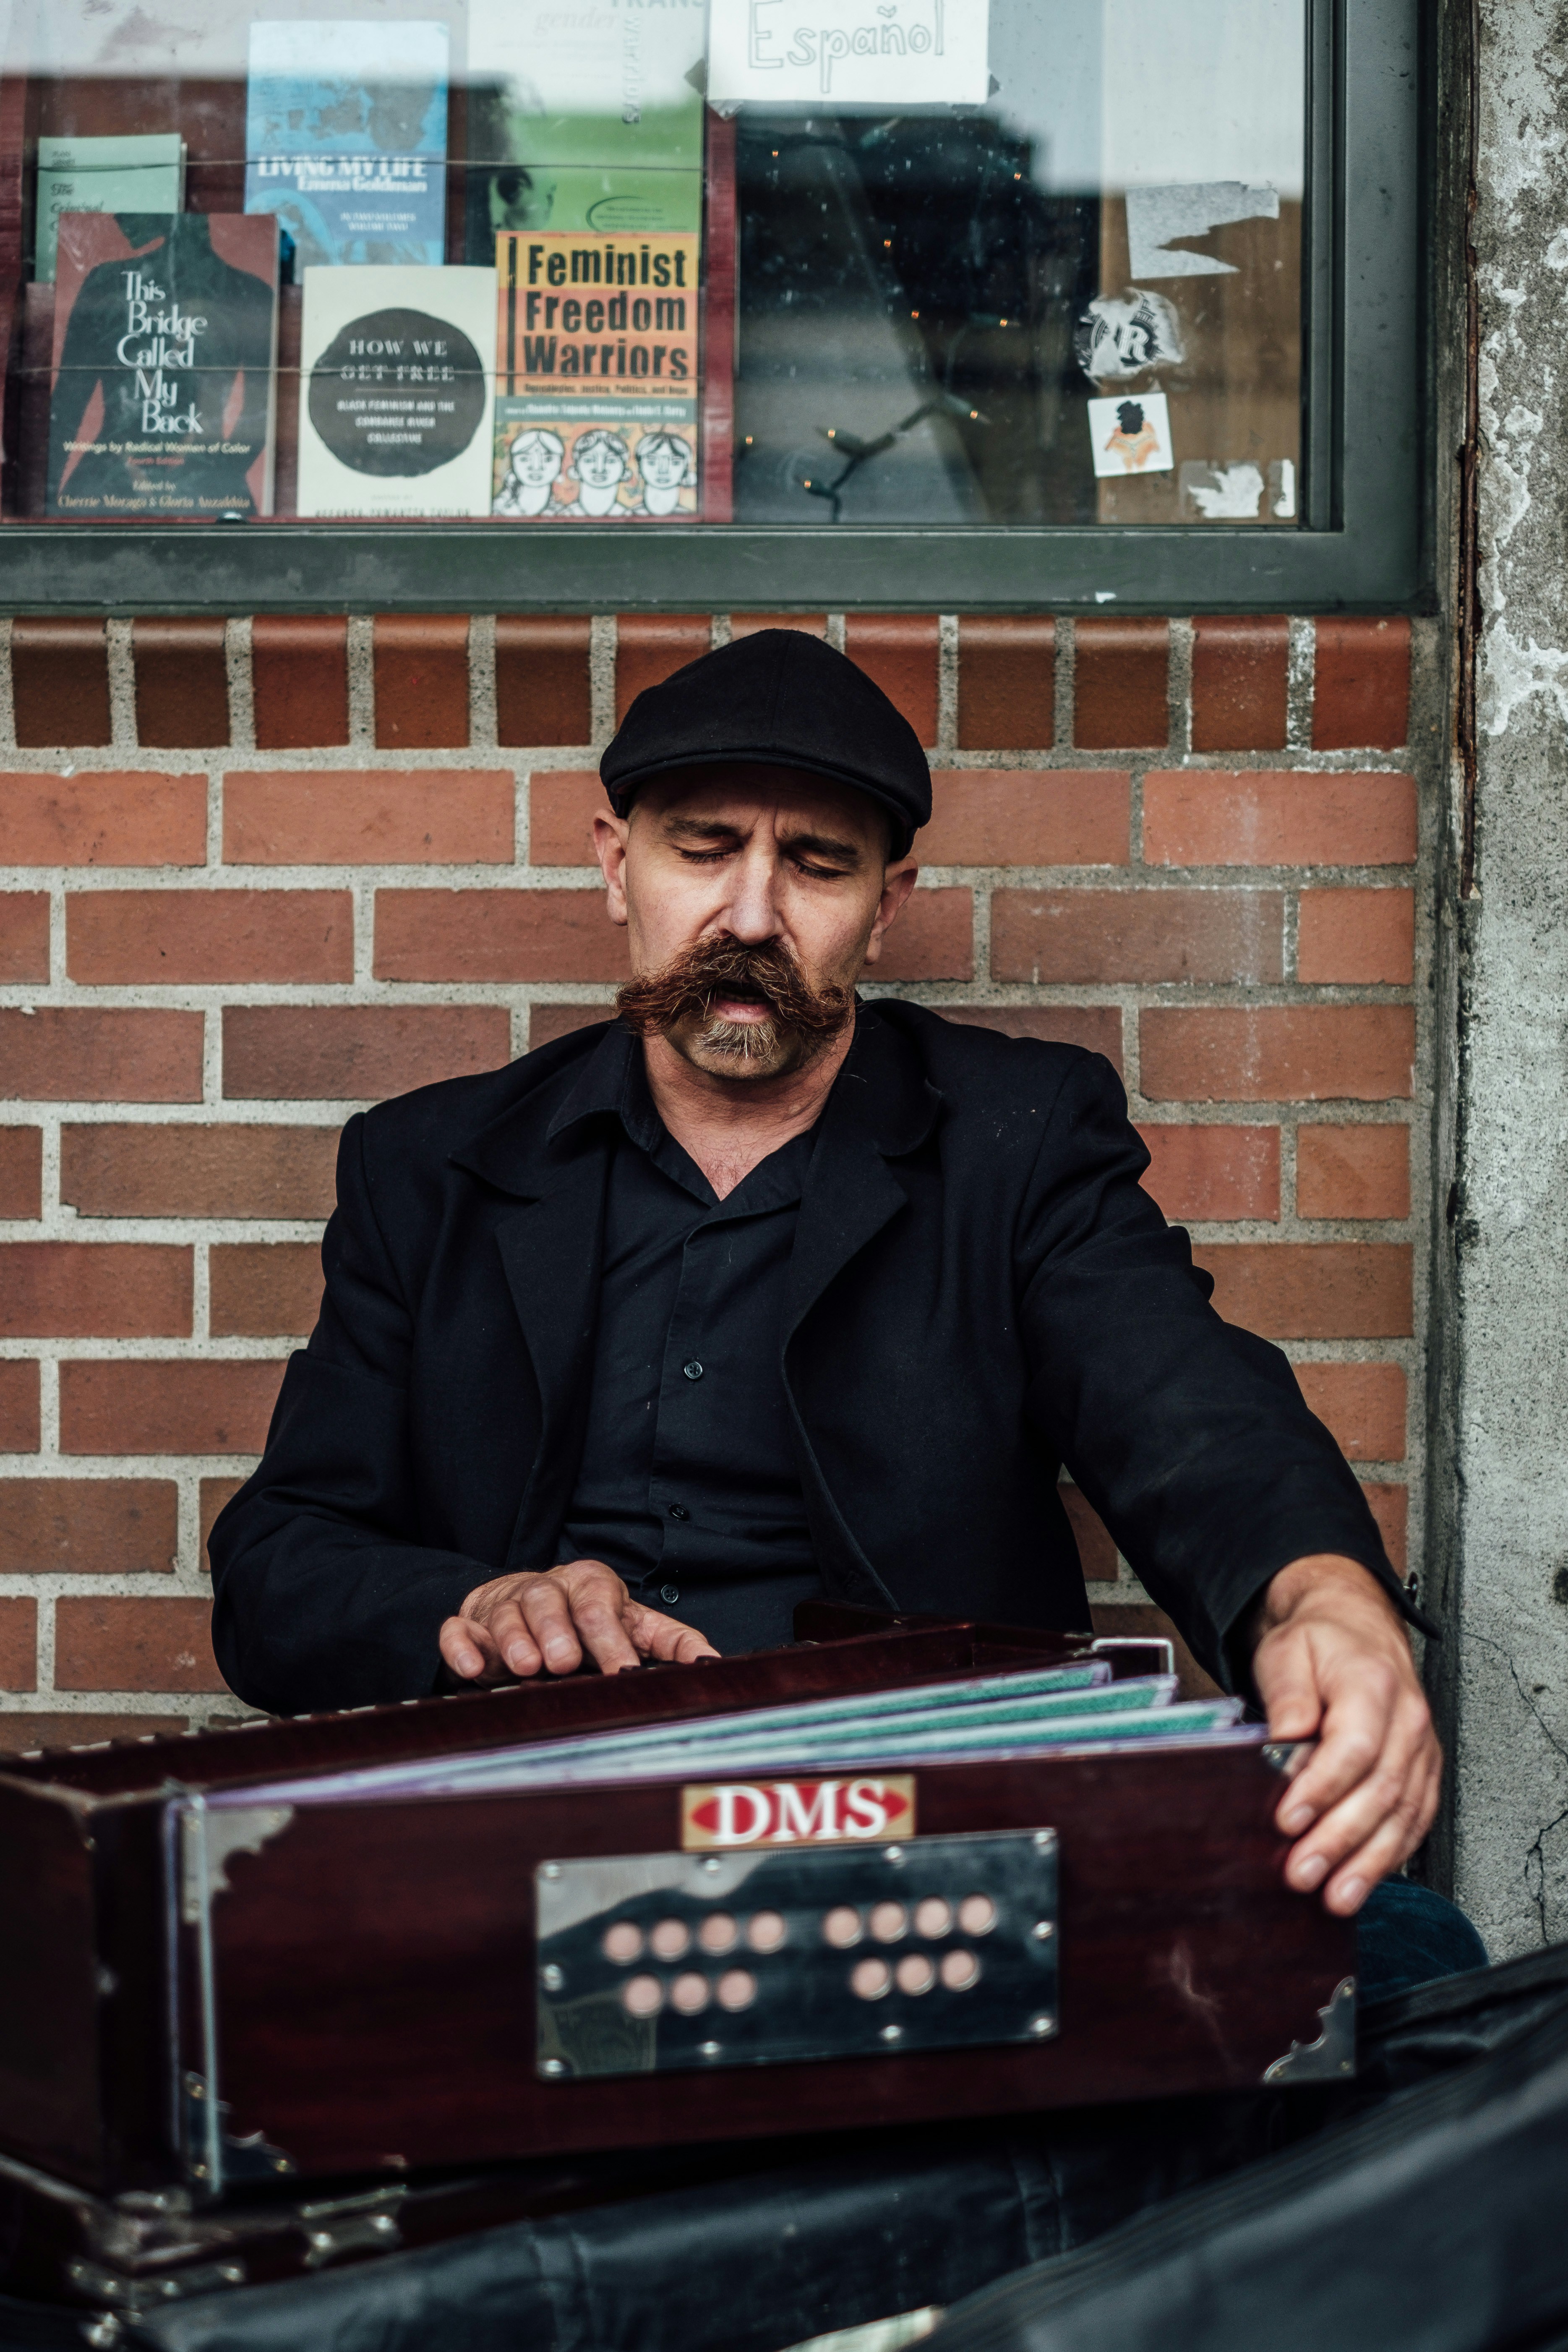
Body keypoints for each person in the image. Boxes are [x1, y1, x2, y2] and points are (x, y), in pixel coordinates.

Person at [211, 629, 1458, 1953]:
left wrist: (1315, 1593)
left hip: (924, 1843)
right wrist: (470, 1610)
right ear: (614, 863)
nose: (751, 916)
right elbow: (282, 1565)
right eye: (703, 850)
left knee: (1406, 1953)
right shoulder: (430, 1168)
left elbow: (1176, 1395)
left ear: (886, 900)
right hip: (537, 1825)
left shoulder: (1017, 1137)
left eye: (815, 864)